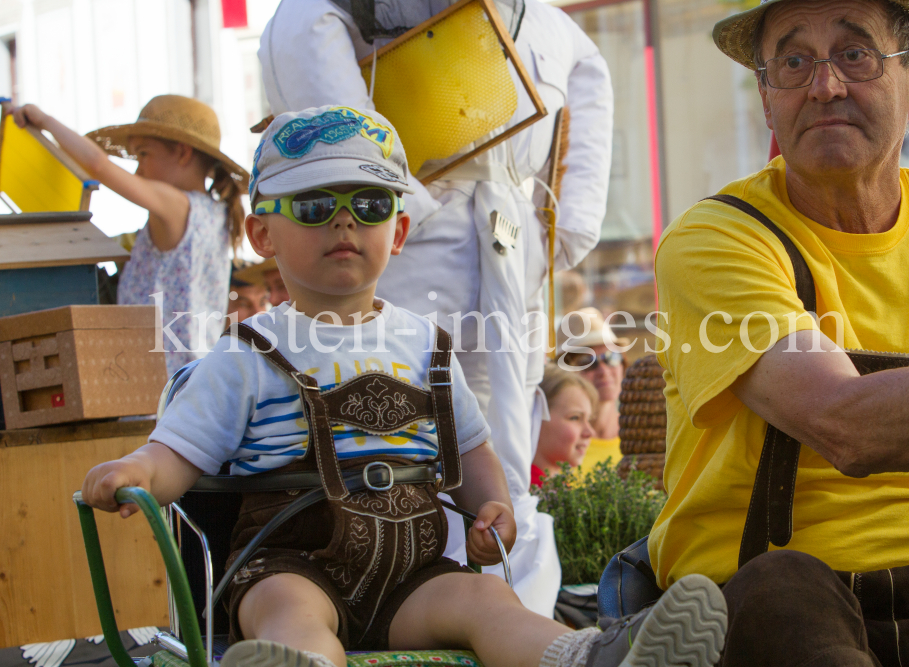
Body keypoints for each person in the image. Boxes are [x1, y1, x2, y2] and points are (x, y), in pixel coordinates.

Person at [80, 106, 725, 667]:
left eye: (369, 205)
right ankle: (298, 661)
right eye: (313, 207)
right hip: (289, 560)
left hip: (411, 574)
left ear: (399, 230)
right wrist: (135, 470)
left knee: (485, 599)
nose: (344, 223)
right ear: (261, 234)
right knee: (283, 609)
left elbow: (473, 450)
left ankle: (593, 654)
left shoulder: (429, 348)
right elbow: (177, 452)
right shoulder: (242, 357)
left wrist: (493, 507)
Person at [651, 0, 909, 664]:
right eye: (793, 61)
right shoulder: (718, 239)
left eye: (854, 54)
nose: (824, 85)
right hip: (779, 606)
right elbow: (845, 424)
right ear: (764, 94)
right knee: (783, 590)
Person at [257, 0, 614, 616]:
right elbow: (308, 55)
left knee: (507, 418)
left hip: (511, 237)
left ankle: (514, 615)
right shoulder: (331, 10)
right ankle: (408, 592)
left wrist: (568, 227)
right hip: (409, 242)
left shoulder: (550, 23)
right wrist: (401, 210)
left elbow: (588, 75)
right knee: (396, 411)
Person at [11, 95, 248, 377]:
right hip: (191, 378)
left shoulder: (177, 206)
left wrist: (45, 121)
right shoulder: (217, 214)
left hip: (154, 381)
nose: (138, 169)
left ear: (183, 153)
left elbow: (98, 165)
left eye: (143, 155)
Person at [557, 308, 626, 440]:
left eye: (612, 356)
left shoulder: (640, 436)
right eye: (587, 361)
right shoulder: (562, 444)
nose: (603, 371)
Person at [531, 365, 598, 487]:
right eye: (575, 417)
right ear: (536, 417)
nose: (589, 432)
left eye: (589, 419)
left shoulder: (558, 489)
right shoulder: (522, 492)